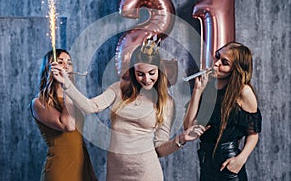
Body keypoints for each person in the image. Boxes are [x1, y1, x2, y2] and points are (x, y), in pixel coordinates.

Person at [51, 37, 208, 181]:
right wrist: (66, 84)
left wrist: (180, 140)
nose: (146, 79)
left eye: (151, 73)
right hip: (116, 172)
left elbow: (160, 148)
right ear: (133, 71)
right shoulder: (118, 89)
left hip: (147, 172)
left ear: (159, 70)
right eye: (140, 74)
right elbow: (91, 106)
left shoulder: (166, 102)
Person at [184, 42, 262, 181]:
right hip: (206, 163)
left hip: (228, 163)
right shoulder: (207, 87)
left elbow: (253, 134)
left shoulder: (243, 92)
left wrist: (240, 159)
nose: (216, 64)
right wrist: (197, 91)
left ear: (235, 69)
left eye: (224, 62)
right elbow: (188, 127)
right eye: (217, 57)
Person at [31, 49, 98, 181]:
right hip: (60, 169)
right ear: (49, 67)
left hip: (81, 166)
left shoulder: (74, 99)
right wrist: (66, 86)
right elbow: (68, 125)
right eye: (60, 62)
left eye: (69, 62)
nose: (66, 66)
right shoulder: (38, 103)